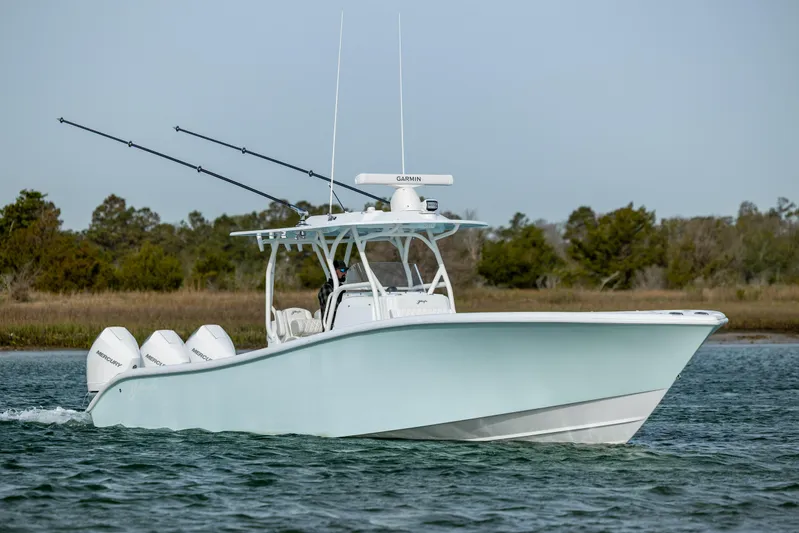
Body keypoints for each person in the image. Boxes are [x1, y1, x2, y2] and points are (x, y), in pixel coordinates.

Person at [318, 259, 348, 326]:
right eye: (342, 270)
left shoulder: (343, 288)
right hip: (332, 327)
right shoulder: (326, 288)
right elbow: (333, 308)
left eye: (346, 270)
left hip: (344, 324)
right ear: (334, 271)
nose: (345, 273)